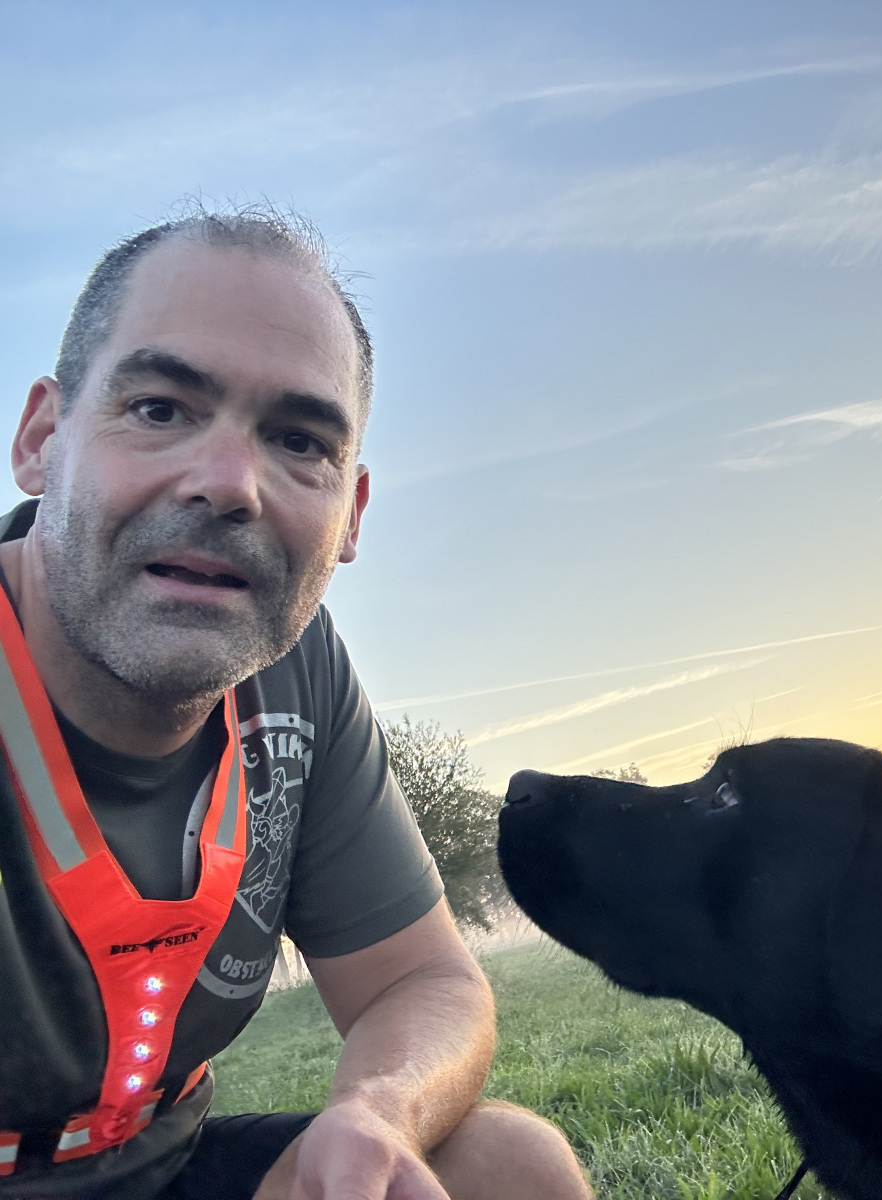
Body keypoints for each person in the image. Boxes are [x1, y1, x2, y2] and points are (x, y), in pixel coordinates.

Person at [0, 207, 593, 1200]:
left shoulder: (295, 668)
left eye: (298, 440)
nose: (229, 484)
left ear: (349, 516)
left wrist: (380, 1113)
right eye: (159, 408)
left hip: (162, 1166)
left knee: (505, 1169)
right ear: (42, 440)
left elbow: (422, 981)